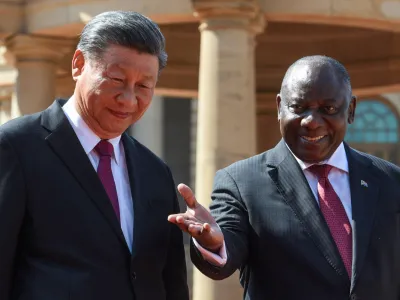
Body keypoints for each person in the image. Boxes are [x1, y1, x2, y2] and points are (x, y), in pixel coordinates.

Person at [169, 55, 400, 300]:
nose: (311, 122)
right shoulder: (241, 182)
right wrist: (214, 243)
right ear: (280, 107)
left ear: (351, 110)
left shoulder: (390, 181)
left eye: (328, 109)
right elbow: (226, 249)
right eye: (298, 108)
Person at [0, 11, 189, 300]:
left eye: (143, 87)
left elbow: (170, 281)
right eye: (116, 79)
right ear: (78, 65)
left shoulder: (155, 171)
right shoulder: (16, 147)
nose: (128, 99)